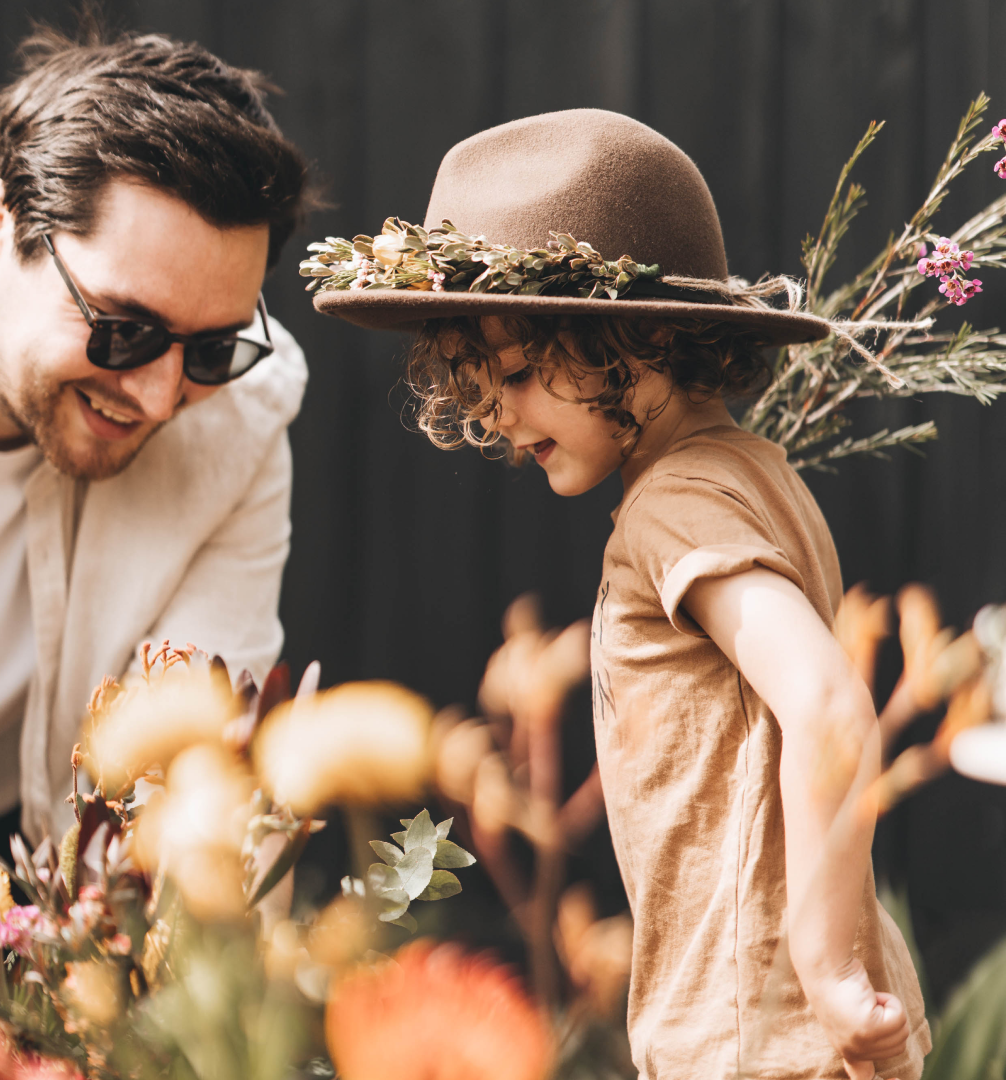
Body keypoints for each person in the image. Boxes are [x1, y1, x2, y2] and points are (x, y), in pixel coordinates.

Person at [306, 110, 932, 1079]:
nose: (497, 413)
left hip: (749, 1032)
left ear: (640, 335)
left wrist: (822, 967)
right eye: (478, 382)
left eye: (515, 371)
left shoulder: (671, 509)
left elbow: (828, 706)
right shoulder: (755, 473)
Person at [0, 25, 311, 845]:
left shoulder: (240, 419)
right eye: (123, 328)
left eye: (211, 349)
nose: (161, 395)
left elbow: (187, 811)